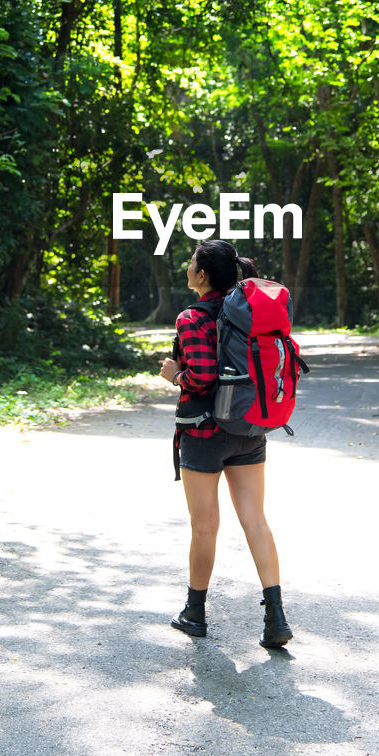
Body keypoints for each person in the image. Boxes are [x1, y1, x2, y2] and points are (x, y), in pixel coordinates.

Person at [159, 239, 293, 649]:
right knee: (256, 520)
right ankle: (276, 618)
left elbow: (200, 376)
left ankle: (194, 614)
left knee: (205, 526)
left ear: (201, 275)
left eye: (191, 262)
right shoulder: (247, 312)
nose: (187, 267)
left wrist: (173, 375)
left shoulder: (191, 317)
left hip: (203, 433)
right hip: (249, 426)